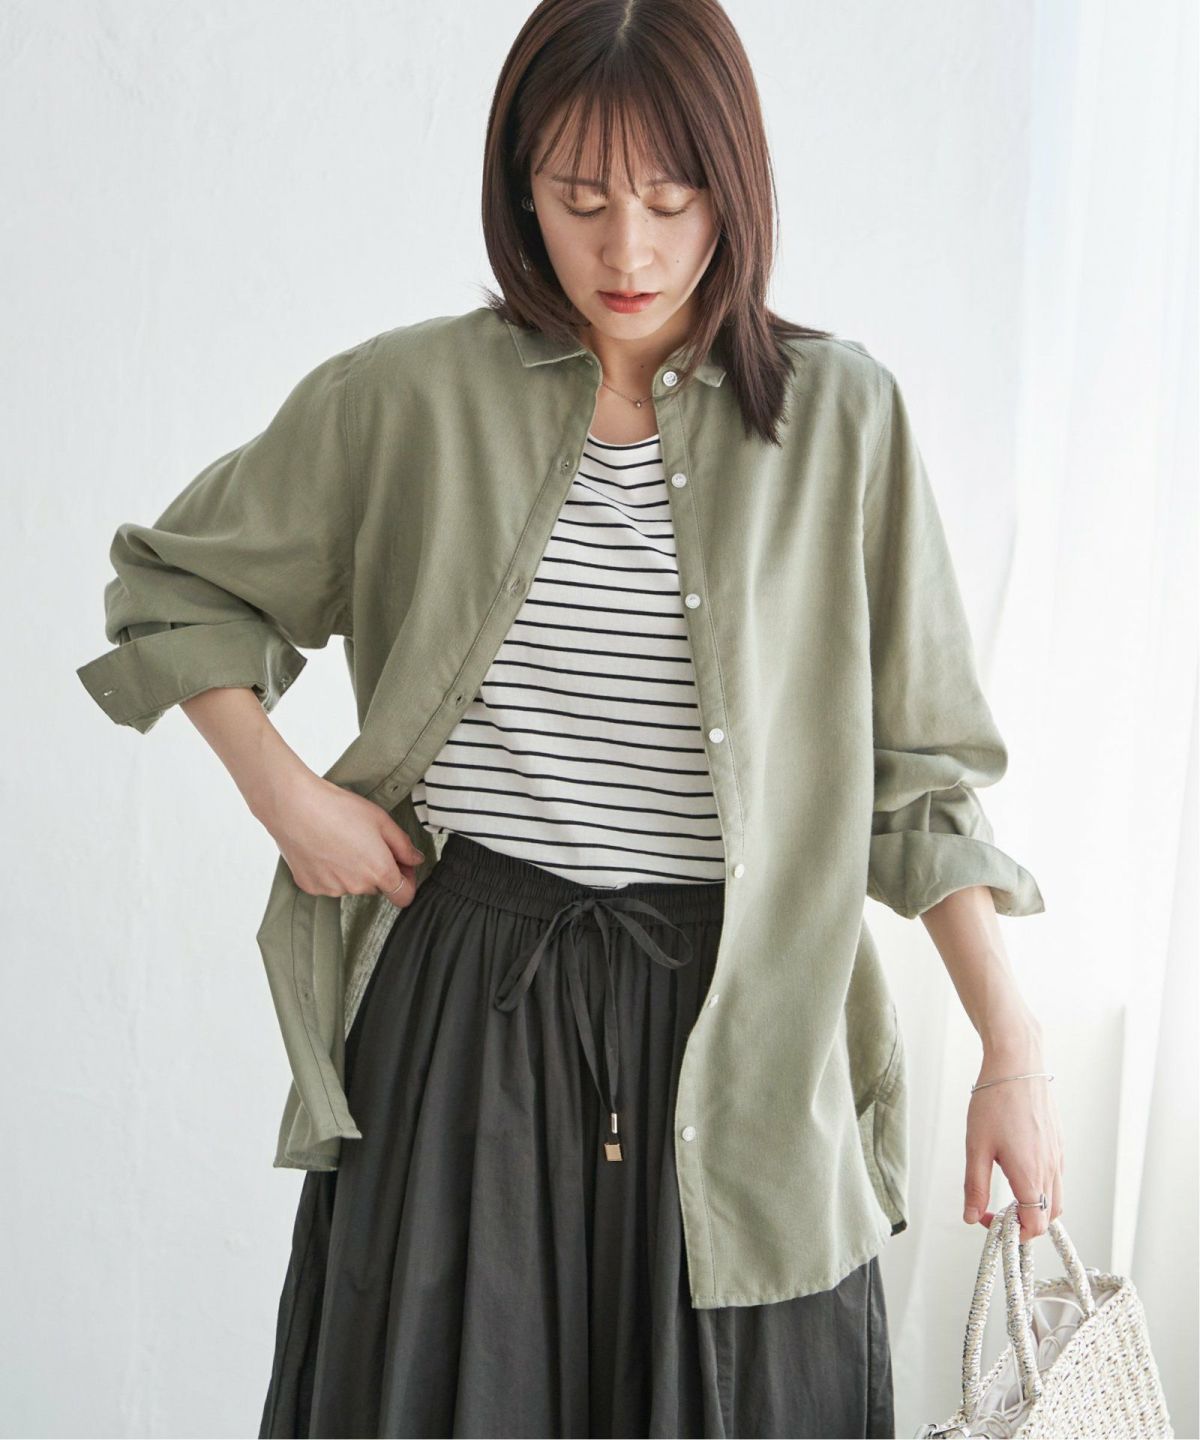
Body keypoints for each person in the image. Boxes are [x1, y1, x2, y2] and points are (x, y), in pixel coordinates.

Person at [75, 1, 1064, 1436]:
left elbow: (915, 783)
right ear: (518, 187)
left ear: (737, 186)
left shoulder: (843, 418)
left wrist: (1010, 1051)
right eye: (580, 199)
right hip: (467, 1013)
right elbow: (176, 585)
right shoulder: (408, 395)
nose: (628, 251)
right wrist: (286, 797)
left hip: (751, 1021)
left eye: (672, 198)